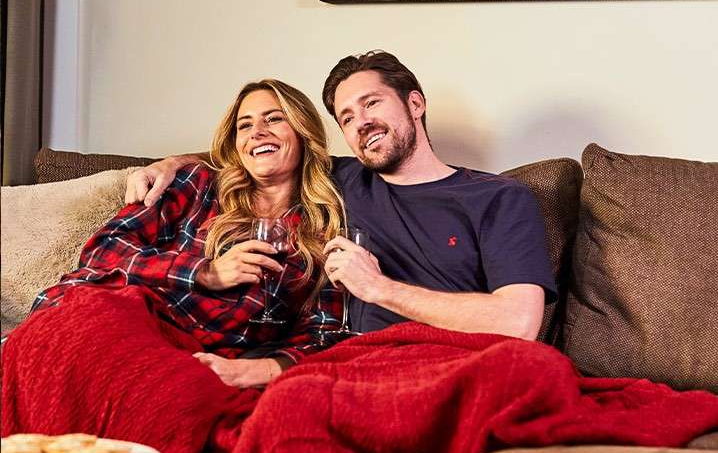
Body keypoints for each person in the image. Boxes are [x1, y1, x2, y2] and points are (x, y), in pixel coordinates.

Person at [126, 51, 556, 340]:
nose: (361, 122)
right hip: (360, 360)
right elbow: (262, 150)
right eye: (347, 117)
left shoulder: (498, 198)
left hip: (467, 359)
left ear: (415, 104)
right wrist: (173, 162)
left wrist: (379, 288)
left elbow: (517, 324)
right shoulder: (340, 180)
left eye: (372, 103)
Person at [19, 78, 345, 389]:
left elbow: (324, 333)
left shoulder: (324, 225)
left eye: (273, 119)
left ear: (302, 130)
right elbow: (102, 250)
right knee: (62, 346)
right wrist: (205, 272)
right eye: (244, 125)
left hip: (191, 357)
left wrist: (256, 370)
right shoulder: (198, 184)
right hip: (119, 312)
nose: (257, 132)